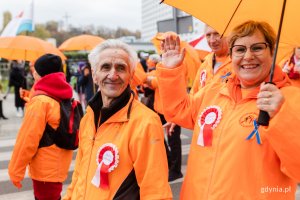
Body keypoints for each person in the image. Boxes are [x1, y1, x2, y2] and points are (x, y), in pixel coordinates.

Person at [157, 20, 300, 199]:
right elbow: (179, 111)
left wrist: (282, 116)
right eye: (240, 49)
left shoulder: (290, 99)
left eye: (257, 48)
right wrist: (171, 70)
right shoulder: (216, 88)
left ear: (272, 52)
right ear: (231, 55)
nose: (248, 56)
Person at [63, 39, 172, 200]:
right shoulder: (88, 118)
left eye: (121, 68)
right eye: (105, 67)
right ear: (94, 74)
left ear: (131, 76)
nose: (113, 75)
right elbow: (79, 173)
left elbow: (156, 192)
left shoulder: (146, 122)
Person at [8, 54, 74, 200]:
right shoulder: (61, 93)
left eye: (35, 71)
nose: (33, 73)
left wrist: (15, 170)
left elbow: (27, 140)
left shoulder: (40, 103)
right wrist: (28, 96)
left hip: (45, 169)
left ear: (43, 75)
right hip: (58, 164)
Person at [145, 54, 183, 182]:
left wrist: (148, 79)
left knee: (173, 140)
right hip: (159, 110)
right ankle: (169, 163)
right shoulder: (159, 71)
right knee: (160, 138)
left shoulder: (175, 70)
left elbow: (155, 83)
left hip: (172, 112)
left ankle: (176, 170)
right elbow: (149, 85)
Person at [190, 25, 232, 94]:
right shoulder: (205, 64)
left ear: (228, 35)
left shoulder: (237, 63)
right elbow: (193, 95)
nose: (212, 40)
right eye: (208, 35)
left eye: (217, 34)